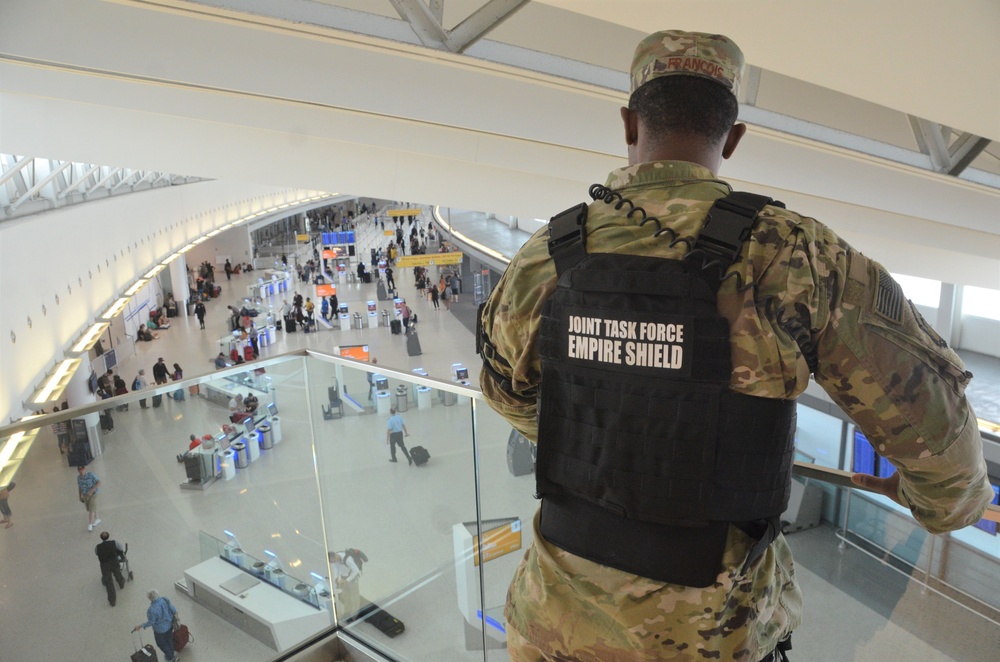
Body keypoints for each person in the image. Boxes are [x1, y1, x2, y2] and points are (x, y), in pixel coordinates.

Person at [477, 30, 995, 662]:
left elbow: (508, 397)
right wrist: (940, 503)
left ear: (628, 123)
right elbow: (944, 456)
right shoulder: (798, 254)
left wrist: (618, 441)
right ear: (733, 136)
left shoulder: (544, 255)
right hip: (711, 638)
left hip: (549, 626)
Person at [132, 589, 178, 662]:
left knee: (161, 644)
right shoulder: (165, 599)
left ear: (150, 598)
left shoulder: (151, 610)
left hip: (160, 630)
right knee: (169, 640)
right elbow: (173, 609)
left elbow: (151, 622)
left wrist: (141, 626)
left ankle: (171, 657)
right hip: (169, 625)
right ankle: (170, 653)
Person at [328, 549, 363, 618]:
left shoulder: (347, 560)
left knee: (354, 596)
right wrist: (336, 577)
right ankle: (347, 611)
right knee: (345, 595)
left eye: (332, 561)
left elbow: (356, 571)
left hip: (352, 578)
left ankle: (355, 613)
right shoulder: (335, 560)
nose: (332, 563)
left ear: (335, 557)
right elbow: (336, 567)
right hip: (343, 578)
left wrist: (347, 580)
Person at [95, 531, 126, 606]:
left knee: (109, 582)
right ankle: (121, 584)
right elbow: (121, 548)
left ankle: (112, 601)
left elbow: (96, 553)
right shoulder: (114, 542)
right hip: (114, 562)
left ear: (101, 538)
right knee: (117, 573)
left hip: (104, 565)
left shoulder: (98, 547)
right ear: (108, 536)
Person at [77, 465, 101, 532]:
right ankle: (97, 519)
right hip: (85, 495)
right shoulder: (79, 478)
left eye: (82, 469)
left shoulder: (91, 475)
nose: (81, 471)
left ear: (85, 469)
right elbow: (80, 487)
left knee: (91, 510)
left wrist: (92, 490)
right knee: (91, 508)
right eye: (80, 470)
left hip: (93, 494)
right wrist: (80, 496)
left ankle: (90, 524)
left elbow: (99, 482)